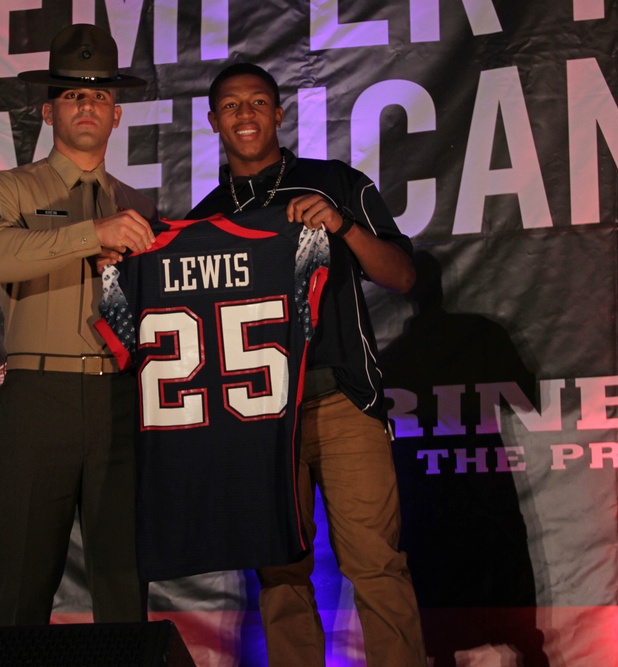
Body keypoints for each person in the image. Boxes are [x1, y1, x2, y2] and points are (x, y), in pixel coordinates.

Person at [186, 62, 427, 666]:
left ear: (279, 112)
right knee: (280, 574)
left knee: (376, 565)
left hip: (345, 402)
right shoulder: (202, 220)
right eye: (233, 105)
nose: (246, 114)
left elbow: (400, 275)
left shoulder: (335, 184)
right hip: (259, 418)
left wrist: (341, 224)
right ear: (214, 120)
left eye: (258, 102)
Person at [0, 23, 157, 626]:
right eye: (74, 94)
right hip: (37, 397)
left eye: (99, 95)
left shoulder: (142, 206)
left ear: (117, 115)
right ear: (49, 110)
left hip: (119, 401)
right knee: (23, 590)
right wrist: (89, 236)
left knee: (125, 589)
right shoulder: (8, 188)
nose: (87, 105)